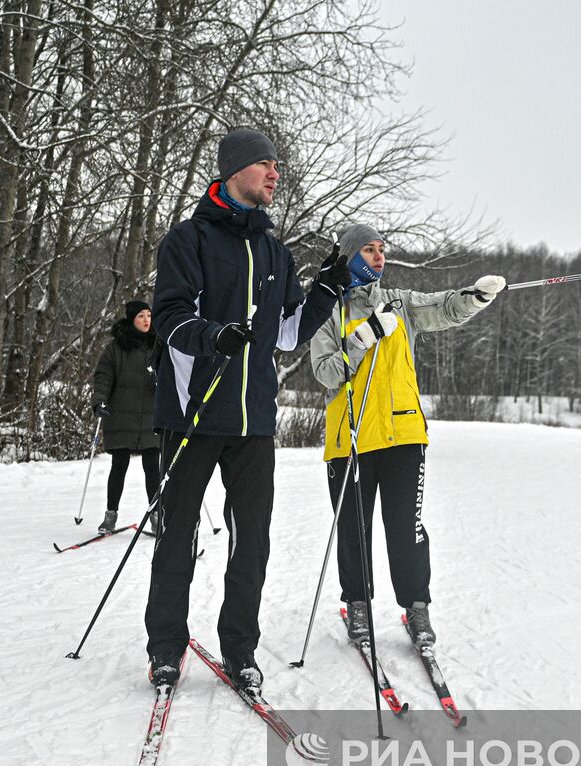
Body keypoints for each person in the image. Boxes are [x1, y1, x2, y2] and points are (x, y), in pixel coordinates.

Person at [144, 128, 347, 690]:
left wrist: (327, 289)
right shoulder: (188, 240)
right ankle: (165, 647)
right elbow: (171, 318)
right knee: (178, 534)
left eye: (278, 166)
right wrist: (213, 336)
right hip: (193, 412)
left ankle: (239, 649)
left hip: (254, 421)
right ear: (235, 170)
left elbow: (285, 334)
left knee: (251, 539)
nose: (275, 175)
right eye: (266, 164)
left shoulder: (274, 250)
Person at [308, 222, 505, 649]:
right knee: (353, 529)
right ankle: (357, 604)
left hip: (403, 434)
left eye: (381, 249)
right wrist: (360, 339)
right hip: (351, 438)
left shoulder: (399, 302)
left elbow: (444, 308)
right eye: (368, 250)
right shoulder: (328, 310)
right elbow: (325, 373)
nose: (379, 257)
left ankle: (417, 607)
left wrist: (475, 298)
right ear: (347, 257)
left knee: (406, 528)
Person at [91, 300, 160, 535]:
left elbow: (173, 374)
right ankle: (110, 516)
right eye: (141, 316)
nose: (146, 320)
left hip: (151, 418)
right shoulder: (115, 348)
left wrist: (163, 383)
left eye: (149, 315)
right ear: (131, 319)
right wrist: (99, 401)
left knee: (153, 467)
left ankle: (157, 516)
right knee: (118, 466)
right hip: (120, 416)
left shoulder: (157, 346)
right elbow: (103, 377)